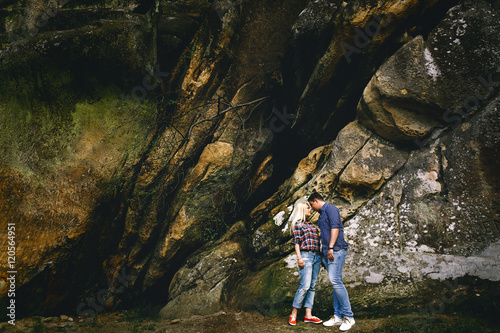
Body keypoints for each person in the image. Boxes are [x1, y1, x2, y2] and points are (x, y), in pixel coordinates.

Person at [308, 191, 355, 331]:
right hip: (327, 254)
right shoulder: (322, 214)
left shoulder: (331, 209)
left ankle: (348, 317)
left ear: (316, 201)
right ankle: (338, 316)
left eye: (311, 205)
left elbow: (336, 228)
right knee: (335, 282)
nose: (311, 208)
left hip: (336, 250)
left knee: (335, 281)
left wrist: (330, 247)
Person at [288, 202, 323, 326]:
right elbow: (296, 242)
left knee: (312, 286)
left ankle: (308, 315)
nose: (310, 210)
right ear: (302, 210)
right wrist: (299, 258)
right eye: (308, 208)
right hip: (305, 256)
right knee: (305, 286)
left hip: (316, 256)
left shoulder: (311, 225)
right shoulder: (297, 224)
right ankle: (293, 314)